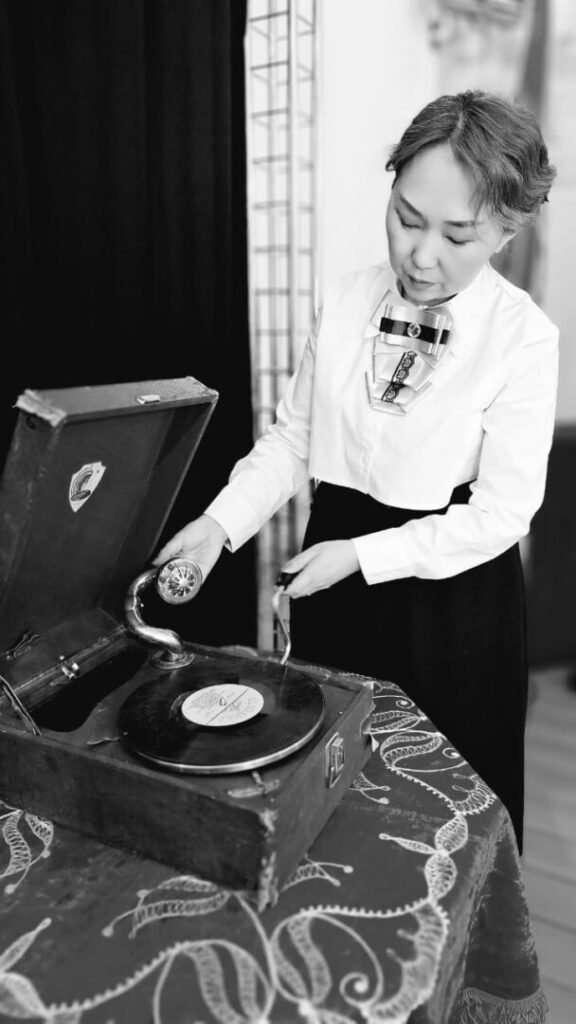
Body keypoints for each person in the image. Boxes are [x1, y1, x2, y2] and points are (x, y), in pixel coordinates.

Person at [154, 90, 558, 854]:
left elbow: (502, 514)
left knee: (437, 814)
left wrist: (364, 556)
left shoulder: (524, 339)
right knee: (333, 790)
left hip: (450, 596)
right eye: (407, 217)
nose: (422, 255)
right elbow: (293, 440)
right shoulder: (345, 300)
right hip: (332, 567)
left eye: (458, 235)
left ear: (507, 230)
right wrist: (218, 525)